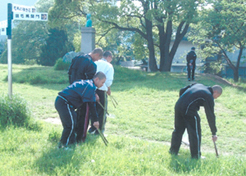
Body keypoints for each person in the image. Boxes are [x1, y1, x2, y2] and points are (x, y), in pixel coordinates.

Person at [169, 83, 222, 159]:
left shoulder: (198, 85)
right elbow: (210, 115)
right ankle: (196, 156)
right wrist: (214, 132)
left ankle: (173, 151)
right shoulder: (208, 96)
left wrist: (184, 102)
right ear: (216, 92)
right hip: (189, 110)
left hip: (178, 106)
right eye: (217, 96)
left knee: (178, 130)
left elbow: (182, 90)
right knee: (195, 133)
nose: (215, 98)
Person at [55, 72, 106, 148]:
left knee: (73, 123)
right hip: (64, 102)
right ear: (97, 79)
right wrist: (95, 120)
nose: (102, 85)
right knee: (70, 125)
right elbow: (91, 105)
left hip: (64, 103)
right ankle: (64, 145)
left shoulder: (88, 84)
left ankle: (68, 143)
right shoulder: (90, 87)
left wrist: (94, 95)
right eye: (102, 82)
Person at [67, 48, 103, 142]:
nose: (97, 60)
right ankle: (80, 138)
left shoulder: (77, 58)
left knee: (74, 114)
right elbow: (91, 83)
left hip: (73, 90)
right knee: (84, 115)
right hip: (84, 94)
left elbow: (69, 73)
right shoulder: (91, 65)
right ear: (97, 54)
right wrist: (94, 94)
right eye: (98, 58)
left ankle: (73, 134)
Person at [88, 51, 114, 134]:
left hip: (91, 87)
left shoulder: (94, 62)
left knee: (92, 108)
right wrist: (108, 89)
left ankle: (92, 127)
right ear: (109, 57)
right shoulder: (109, 66)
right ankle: (100, 129)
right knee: (102, 110)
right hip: (101, 89)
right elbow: (108, 81)